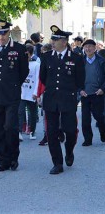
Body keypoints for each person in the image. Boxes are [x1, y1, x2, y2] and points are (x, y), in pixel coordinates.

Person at [39, 25, 85, 175]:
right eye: (52, 38)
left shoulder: (76, 58)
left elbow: (80, 80)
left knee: (70, 131)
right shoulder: (46, 57)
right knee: (51, 132)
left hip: (68, 100)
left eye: (56, 39)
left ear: (64, 42)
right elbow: (43, 77)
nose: (52, 41)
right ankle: (57, 163)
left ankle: (69, 151)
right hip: (51, 99)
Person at [0, 20, 29, 172]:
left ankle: (13, 157)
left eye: (4, 34)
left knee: (10, 126)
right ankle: (3, 160)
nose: (1, 37)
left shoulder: (19, 49)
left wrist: (14, 84)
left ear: (9, 33)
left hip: (11, 95)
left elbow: (24, 71)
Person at [79, 39, 105, 146]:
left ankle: (103, 134)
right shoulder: (81, 61)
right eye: (86, 47)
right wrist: (80, 90)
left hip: (97, 93)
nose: (88, 49)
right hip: (85, 94)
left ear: (95, 49)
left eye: (90, 46)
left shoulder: (101, 61)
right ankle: (88, 139)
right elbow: (76, 78)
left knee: (99, 116)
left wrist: (102, 89)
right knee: (85, 119)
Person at [19, 44, 40, 141]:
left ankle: (32, 131)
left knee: (32, 113)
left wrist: (36, 92)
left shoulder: (36, 64)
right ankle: (19, 132)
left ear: (30, 54)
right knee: (20, 112)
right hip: (21, 92)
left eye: (26, 54)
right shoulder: (20, 63)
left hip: (32, 92)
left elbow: (37, 79)